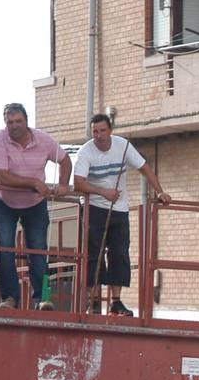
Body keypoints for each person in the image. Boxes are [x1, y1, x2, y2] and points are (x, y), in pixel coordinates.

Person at [73, 113, 171, 317]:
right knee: (93, 254)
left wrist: (160, 191)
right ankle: (93, 301)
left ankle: (116, 302)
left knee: (119, 252)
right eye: (95, 132)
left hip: (119, 209)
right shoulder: (85, 152)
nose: (99, 135)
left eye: (102, 130)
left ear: (110, 130)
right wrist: (104, 193)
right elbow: (78, 183)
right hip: (93, 207)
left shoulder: (123, 145)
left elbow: (144, 167)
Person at [0, 103, 71, 310]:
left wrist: (62, 184)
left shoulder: (43, 139)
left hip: (35, 204)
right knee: (5, 247)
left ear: (27, 121)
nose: (14, 126)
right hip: (3, 201)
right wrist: (34, 183)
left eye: (18, 121)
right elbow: (1, 177)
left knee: (39, 250)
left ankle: (42, 298)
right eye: (10, 122)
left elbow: (65, 160)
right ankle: (9, 298)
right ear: (5, 123)